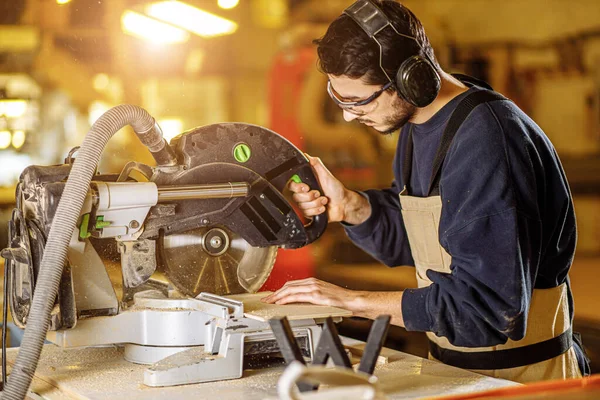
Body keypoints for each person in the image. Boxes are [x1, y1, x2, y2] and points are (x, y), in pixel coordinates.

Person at [263, 0, 591, 383]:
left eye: (358, 101)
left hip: (523, 379)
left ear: (411, 79)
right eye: (340, 100)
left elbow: (484, 311)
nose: (349, 116)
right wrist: (351, 206)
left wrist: (352, 301)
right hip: (461, 371)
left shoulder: (485, 141)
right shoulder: (421, 125)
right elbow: (434, 241)